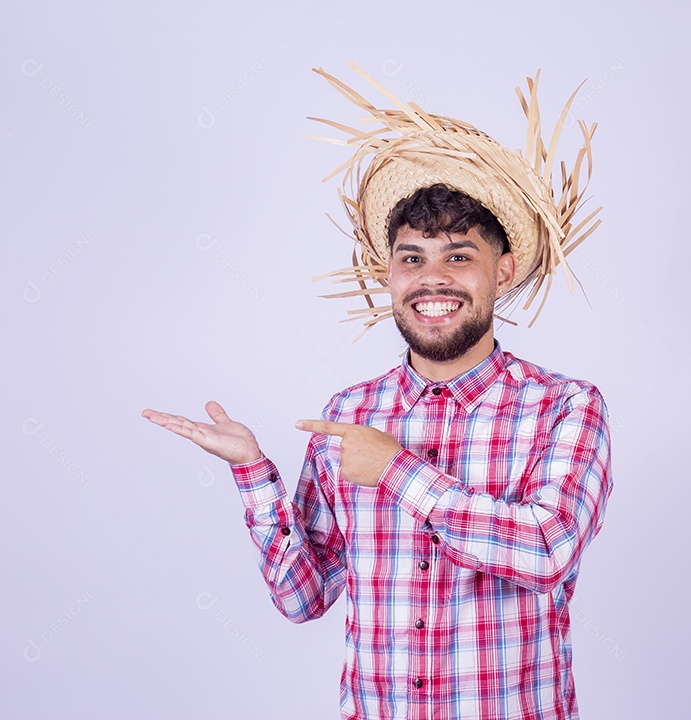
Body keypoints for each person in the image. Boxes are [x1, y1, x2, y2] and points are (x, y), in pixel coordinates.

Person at [142, 65, 613, 720]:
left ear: (502, 272)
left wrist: (395, 471)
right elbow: (302, 598)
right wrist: (254, 474)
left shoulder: (565, 407)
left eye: (458, 255)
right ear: (388, 273)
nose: (433, 279)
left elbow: (544, 549)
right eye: (412, 258)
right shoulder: (349, 415)